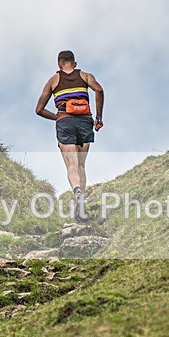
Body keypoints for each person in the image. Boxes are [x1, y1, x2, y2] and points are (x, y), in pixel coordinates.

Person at [35, 50, 104, 221]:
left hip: (65, 123)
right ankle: (82, 203)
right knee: (81, 165)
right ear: (75, 63)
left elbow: (39, 110)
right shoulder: (86, 76)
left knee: (71, 165)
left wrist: (56, 116)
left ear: (59, 64)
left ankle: (77, 192)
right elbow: (99, 90)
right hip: (85, 122)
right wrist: (99, 117)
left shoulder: (53, 80)